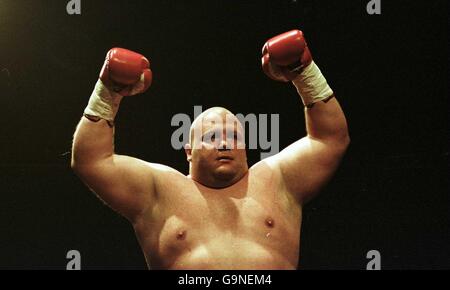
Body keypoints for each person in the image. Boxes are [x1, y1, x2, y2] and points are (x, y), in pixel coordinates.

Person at [71, 29, 350, 269]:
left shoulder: (278, 180)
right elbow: (92, 161)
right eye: (213, 135)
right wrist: (108, 91)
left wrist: (305, 73)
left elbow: (329, 139)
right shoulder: (159, 189)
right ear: (189, 151)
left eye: (234, 136)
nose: (225, 143)